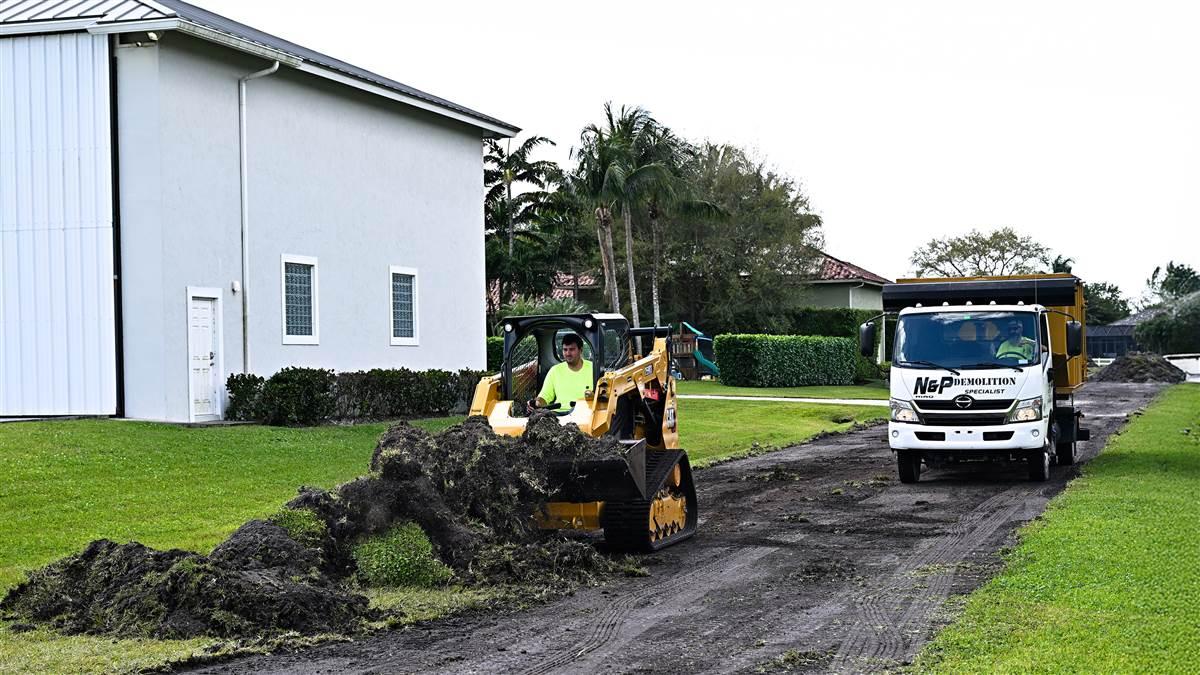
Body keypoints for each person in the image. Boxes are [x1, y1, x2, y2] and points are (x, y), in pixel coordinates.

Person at [534, 333, 593, 411]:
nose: (568, 353)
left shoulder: (593, 369)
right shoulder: (555, 370)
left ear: (580, 350)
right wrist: (537, 403)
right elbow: (544, 396)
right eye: (565, 350)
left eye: (571, 349)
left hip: (586, 413)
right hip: (559, 415)